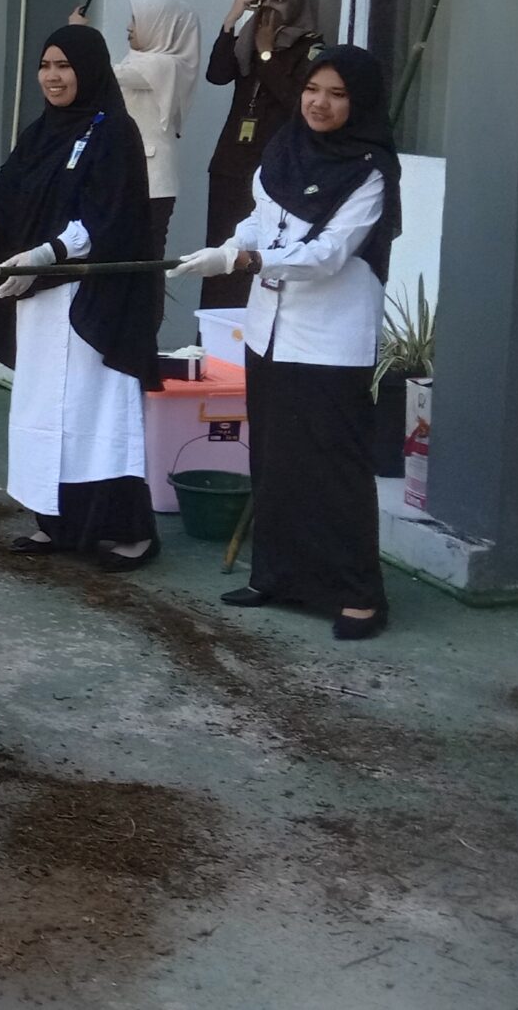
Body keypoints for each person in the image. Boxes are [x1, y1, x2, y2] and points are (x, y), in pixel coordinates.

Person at [175, 47, 398, 639]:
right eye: (312, 90)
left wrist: (247, 261)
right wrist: (231, 246)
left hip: (330, 340)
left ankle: (358, 594)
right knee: (274, 461)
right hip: (269, 330)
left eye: (337, 94)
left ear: (360, 103)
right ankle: (276, 575)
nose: (320, 104)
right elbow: (260, 217)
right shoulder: (283, 147)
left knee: (335, 468)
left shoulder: (370, 171)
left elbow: (328, 255)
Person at [0, 25, 163, 568]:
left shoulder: (114, 132)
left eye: (65, 66)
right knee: (45, 409)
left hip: (90, 300)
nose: (53, 76)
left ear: (88, 70)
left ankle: (129, 532)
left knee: (95, 415)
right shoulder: (42, 131)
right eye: (45, 65)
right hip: (38, 297)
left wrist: (47, 253)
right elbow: (5, 189)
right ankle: (58, 523)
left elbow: (108, 216)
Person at [202, 0, 324, 309]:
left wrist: (267, 54)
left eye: (279, 0)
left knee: (257, 258)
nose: (270, 7)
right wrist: (232, 18)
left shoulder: (310, 49)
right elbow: (217, 74)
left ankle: (252, 330)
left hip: (275, 168)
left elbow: (296, 101)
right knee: (223, 254)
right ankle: (214, 332)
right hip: (232, 161)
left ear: (295, 5)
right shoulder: (248, 39)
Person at [113, 0, 201, 260]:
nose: (129, 27)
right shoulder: (138, 61)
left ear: (160, 26)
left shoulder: (166, 64)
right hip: (131, 173)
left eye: (137, 21)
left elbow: (106, 74)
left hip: (151, 181)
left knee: (144, 258)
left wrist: (80, 36)